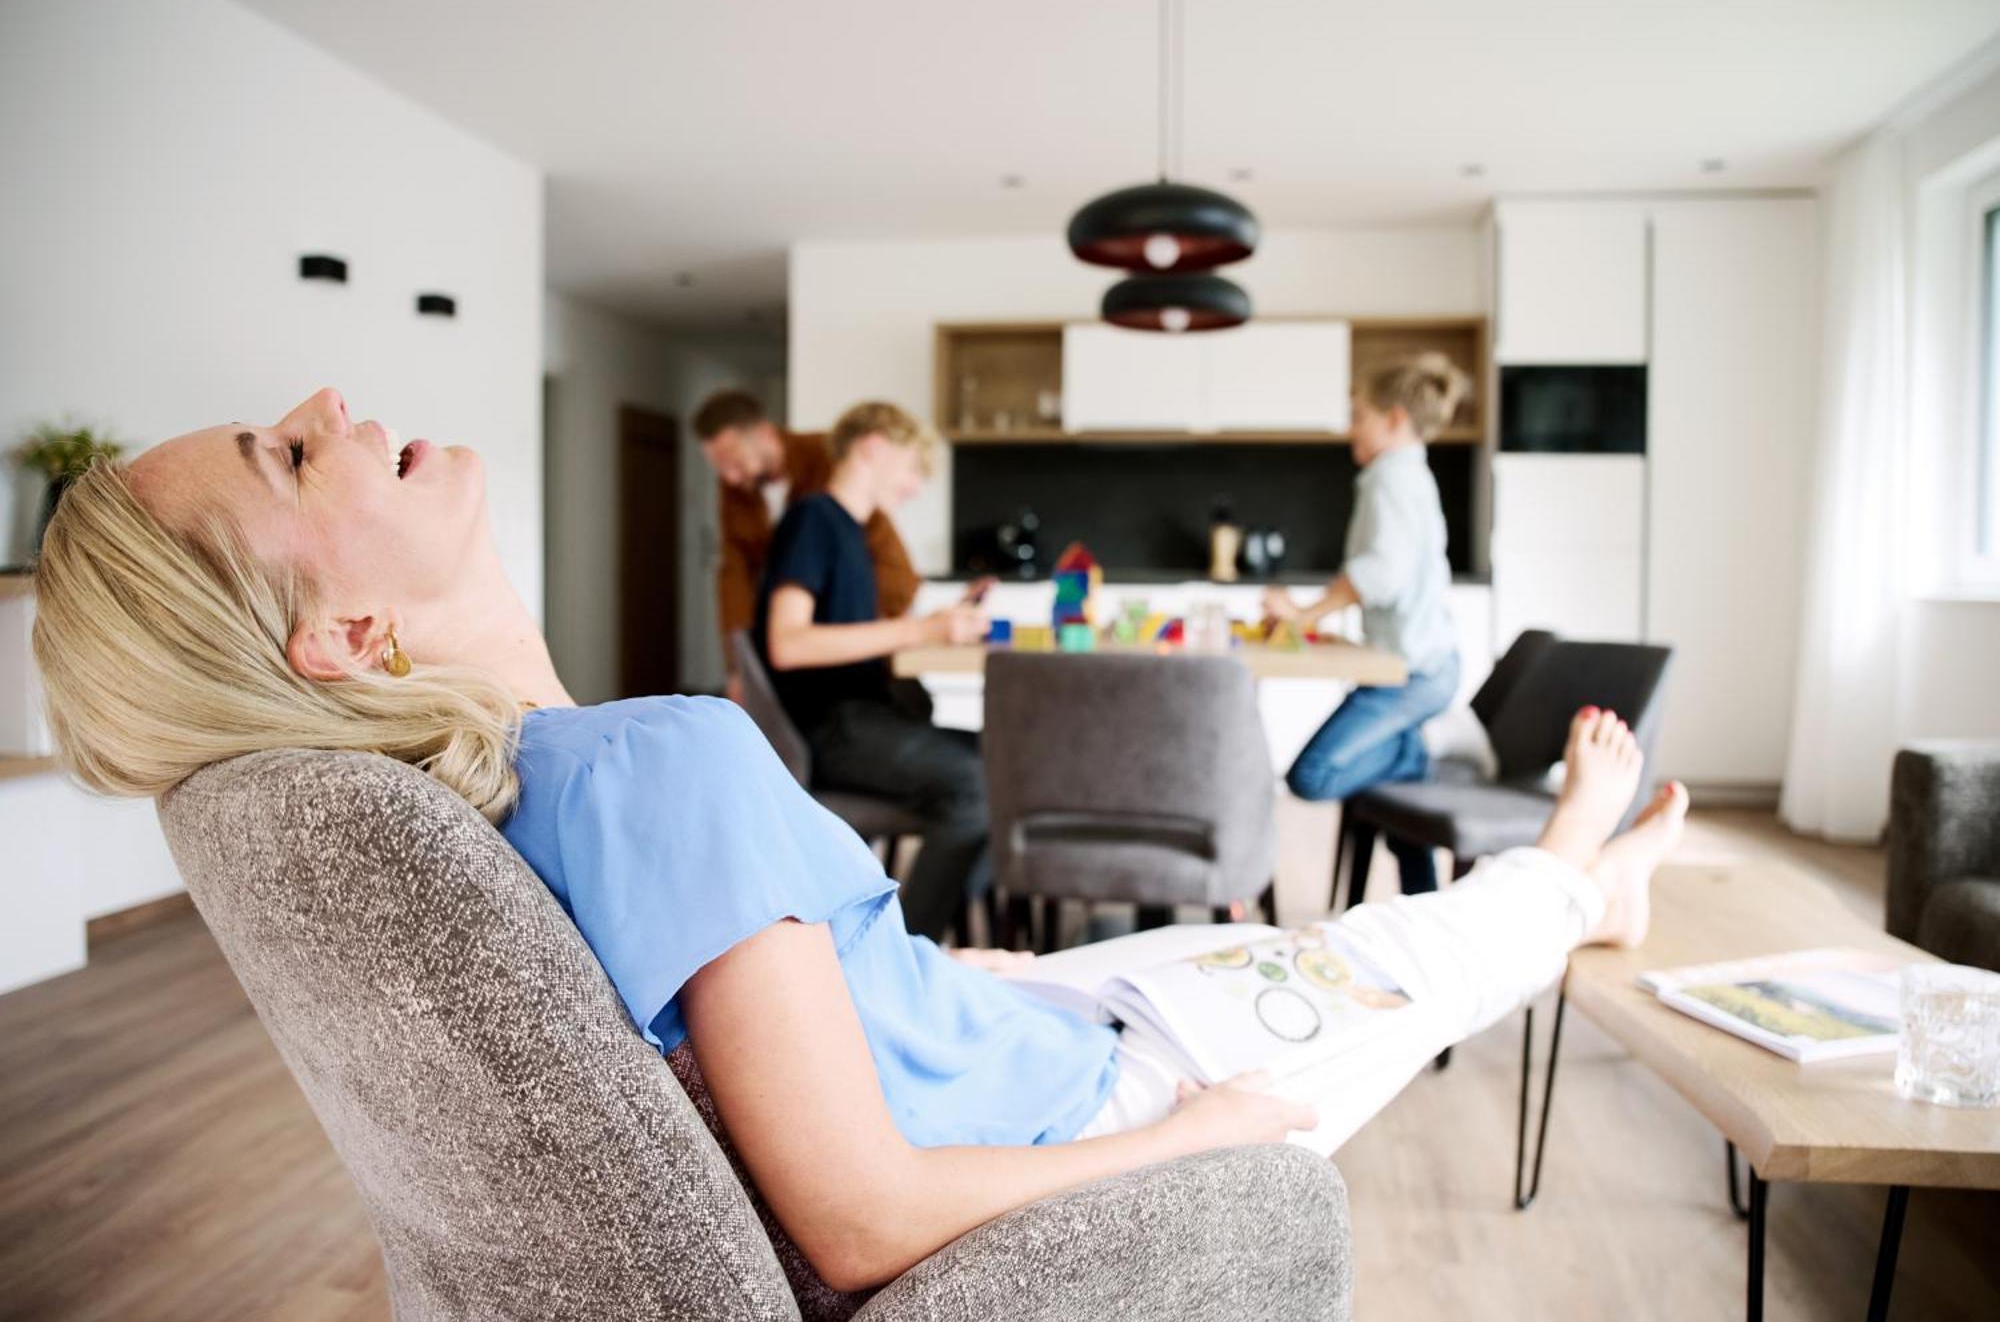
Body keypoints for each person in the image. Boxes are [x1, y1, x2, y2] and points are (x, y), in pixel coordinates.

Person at [32, 387, 1686, 1297]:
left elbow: (740, 1025)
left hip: (995, 1021)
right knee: (1399, 957)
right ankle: (1580, 876)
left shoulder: (550, 787)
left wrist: (921, 957)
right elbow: (863, 1217)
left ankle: (1576, 889)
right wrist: (1208, 1137)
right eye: (289, 452)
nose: (328, 402)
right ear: (350, 635)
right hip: (1068, 1100)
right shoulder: (655, 758)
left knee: (1342, 952)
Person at [754, 400, 990, 941]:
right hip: (836, 728)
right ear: (873, 445)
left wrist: (928, 625)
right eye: (912, 468)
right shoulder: (814, 520)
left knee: (1000, 762)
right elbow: (789, 643)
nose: (915, 486)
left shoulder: (851, 534)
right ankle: (905, 951)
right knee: (974, 783)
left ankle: (978, 926)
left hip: (864, 719)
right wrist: (923, 632)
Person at [1263, 352, 1471, 897]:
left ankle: (1417, 749)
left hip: (1413, 674)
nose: (1350, 428)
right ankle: (1422, 904)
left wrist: (1306, 614)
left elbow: (1380, 573)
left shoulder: (1392, 477)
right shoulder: (1407, 473)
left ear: (1395, 419)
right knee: (1401, 809)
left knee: (1311, 775)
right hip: (1416, 664)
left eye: (1359, 416)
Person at [692, 389, 919, 703]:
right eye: (720, 467)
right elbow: (734, 574)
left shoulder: (826, 460)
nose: (729, 477)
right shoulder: (738, 491)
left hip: (843, 646)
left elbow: (881, 550)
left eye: (733, 460)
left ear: (764, 433)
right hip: (796, 660)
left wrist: (885, 631)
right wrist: (738, 667)